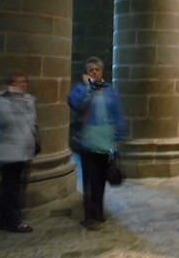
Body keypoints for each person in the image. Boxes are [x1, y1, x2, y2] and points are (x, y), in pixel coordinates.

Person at [67, 56, 127, 231]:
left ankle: (98, 211)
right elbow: (75, 104)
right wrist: (88, 88)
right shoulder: (80, 89)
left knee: (101, 177)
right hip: (88, 138)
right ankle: (89, 214)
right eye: (90, 70)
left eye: (97, 69)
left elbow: (116, 112)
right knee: (89, 177)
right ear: (86, 73)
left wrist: (119, 134)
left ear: (102, 72)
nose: (94, 72)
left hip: (106, 138)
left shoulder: (109, 90)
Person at [0, 72, 38, 233]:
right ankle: (14, 221)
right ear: (11, 84)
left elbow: (31, 122)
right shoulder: (2, 102)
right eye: (19, 82)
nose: (23, 85)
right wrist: (13, 98)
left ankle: (5, 219)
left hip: (22, 150)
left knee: (13, 186)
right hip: (9, 151)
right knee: (11, 188)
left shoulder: (27, 100)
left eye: (25, 82)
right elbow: (7, 121)